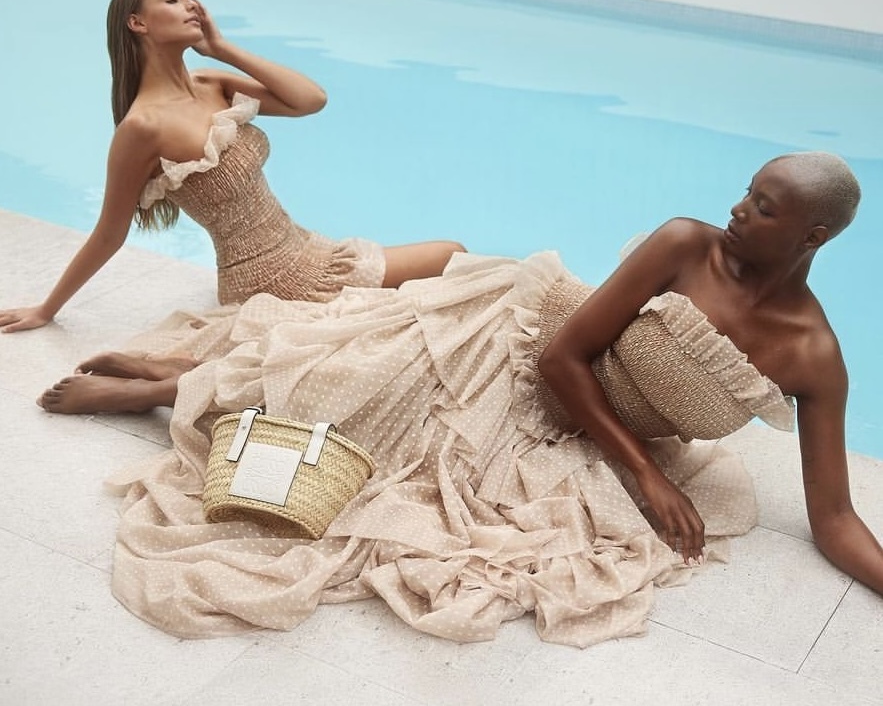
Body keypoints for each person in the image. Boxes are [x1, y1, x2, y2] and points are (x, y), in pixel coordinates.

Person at [40, 152, 883, 646]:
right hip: (516, 347)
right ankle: (167, 385)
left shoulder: (811, 358)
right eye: (747, 191)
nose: (737, 209)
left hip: (580, 434)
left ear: (812, 236)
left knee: (362, 447)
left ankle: (179, 381)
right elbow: (561, 357)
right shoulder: (684, 244)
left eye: (763, 208)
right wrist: (647, 475)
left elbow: (835, 517)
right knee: (350, 381)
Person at [0, 0, 464, 334]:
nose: (192, 5)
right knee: (452, 258)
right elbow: (109, 232)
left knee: (449, 275)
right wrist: (46, 309)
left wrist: (221, 49)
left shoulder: (211, 84)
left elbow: (310, 100)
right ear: (137, 23)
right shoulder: (141, 127)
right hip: (269, 279)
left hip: (308, 247)